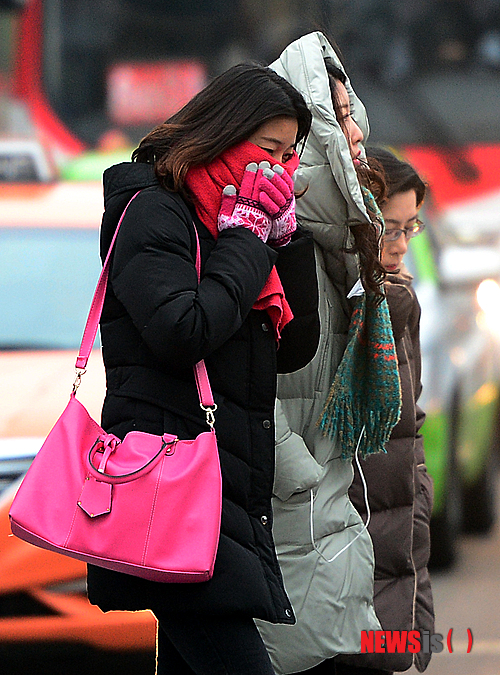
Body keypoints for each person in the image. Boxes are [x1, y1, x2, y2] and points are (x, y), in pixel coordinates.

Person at [85, 63, 313, 675]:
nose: (280, 165)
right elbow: (181, 332)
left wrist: (284, 244)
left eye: (291, 154)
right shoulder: (153, 212)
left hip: (222, 492)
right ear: (223, 133)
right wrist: (246, 243)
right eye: (269, 149)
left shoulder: (243, 223)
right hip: (173, 494)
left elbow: (292, 352)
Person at [256, 32, 402, 674]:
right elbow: (242, 377)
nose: (356, 131)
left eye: (354, 113)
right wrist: (302, 478)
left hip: (331, 531)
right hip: (295, 530)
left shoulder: (345, 245)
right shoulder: (270, 235)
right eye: (339, 118)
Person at [333, 146, 435, 675]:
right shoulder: (332, 304)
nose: (398, 247)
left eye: (409, 228)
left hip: (392, 547)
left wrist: (418, 608)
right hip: (339, 551)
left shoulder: (399, 303)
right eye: (387, 229)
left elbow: (409, 449)